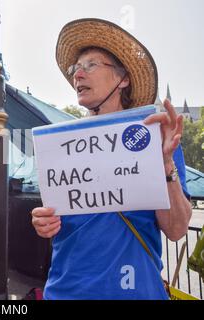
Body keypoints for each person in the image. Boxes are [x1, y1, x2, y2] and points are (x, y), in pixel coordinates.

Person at [31, 18, 192, 300]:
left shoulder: (156, 135)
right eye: (75, 68)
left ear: (123, 78)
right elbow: (58, 219)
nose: (77, 75)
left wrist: (165, 164)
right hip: (65, 292)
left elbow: (177, 229)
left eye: (90, 65)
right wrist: (43, 221)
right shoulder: (60, 146)